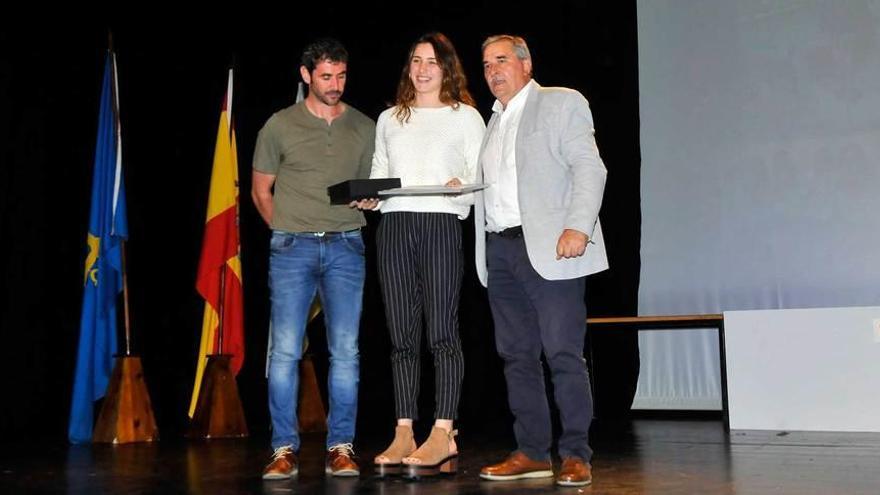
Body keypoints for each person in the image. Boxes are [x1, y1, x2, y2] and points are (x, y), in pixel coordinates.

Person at [474, 34, 608, 488]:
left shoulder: (560, 102)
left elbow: (590, 167)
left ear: (526, 64)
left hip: (552, 248)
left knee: (563, 353)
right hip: (501, 250)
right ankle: (532, 451)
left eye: (502, 60)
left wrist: (578, 226)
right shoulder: (491, 124)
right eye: (487, 63)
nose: (493, 70)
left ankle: (575, 454)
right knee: (516, 357)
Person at [356, 32, 485, 479]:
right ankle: (405, 430)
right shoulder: (390, 118)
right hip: (394, 225)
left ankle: (444, 431)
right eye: (415, 60)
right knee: (401, 336)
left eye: (432, 61)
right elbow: (380, 174)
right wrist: (371, 198)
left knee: (442, 332)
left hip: (440, 224)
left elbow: (477, 174)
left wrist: (460, 186)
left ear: (447, 68)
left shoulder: (466, 117)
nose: (422, 69)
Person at [252, 37, 375, 480]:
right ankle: (283, 448)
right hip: (292, 249)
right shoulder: (279, 126)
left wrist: (371, 201)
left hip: (346, 247)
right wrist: (285, 231)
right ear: (305, 76)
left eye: (341, 75)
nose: (335, 84)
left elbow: (368, 187)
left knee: (345, 352)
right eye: (326, 76)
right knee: (284, 351)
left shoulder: (364, 126)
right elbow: (260, 190)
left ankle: (340, 447)